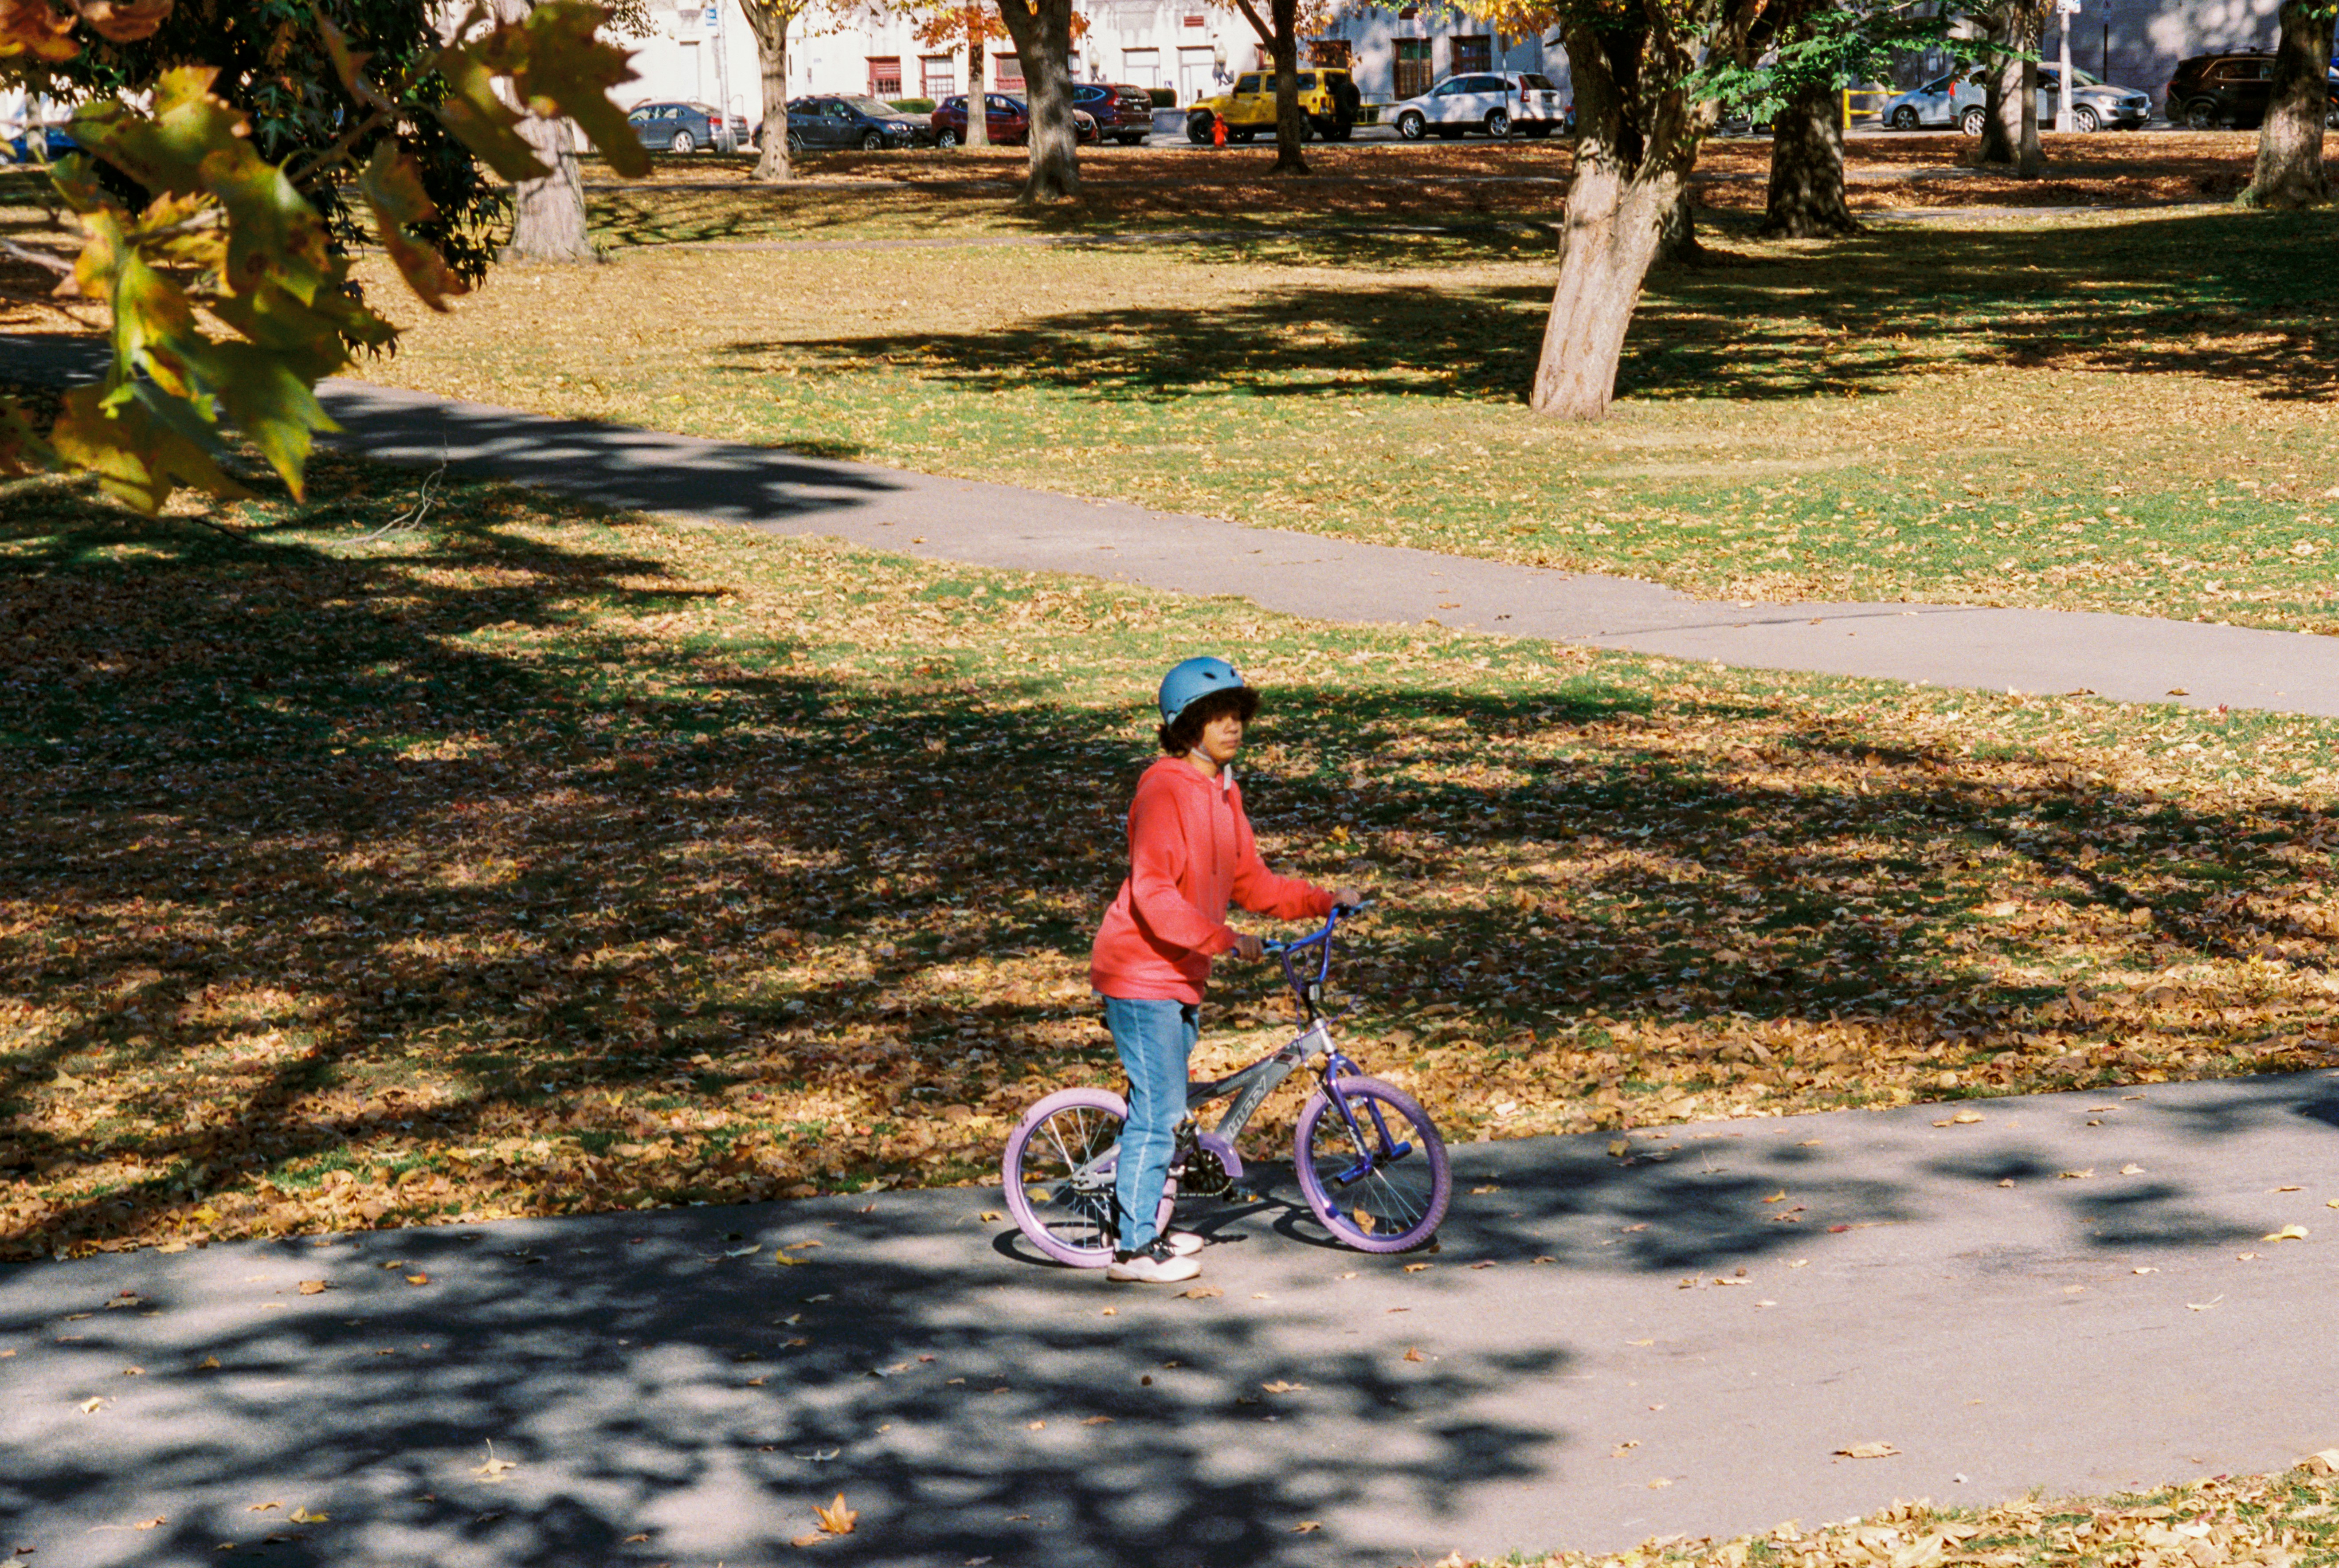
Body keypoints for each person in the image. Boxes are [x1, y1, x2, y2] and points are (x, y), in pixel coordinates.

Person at [1087, 657, 1360, 1284]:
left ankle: (1140, 1219)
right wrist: (1221, 939)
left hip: (1180, 973)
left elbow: (1252, 882)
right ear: (1187, 726)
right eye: (1218, 716)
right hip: (1141, 971)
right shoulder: (1163, 790)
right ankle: (1132, 1251)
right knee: (1159, 1114)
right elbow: (1154, 895)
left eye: (1238, 714)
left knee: (1162, 1106)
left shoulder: (1222, 790)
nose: (1233, 726)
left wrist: (1324, 899)